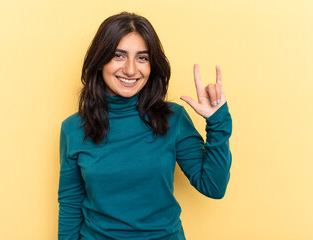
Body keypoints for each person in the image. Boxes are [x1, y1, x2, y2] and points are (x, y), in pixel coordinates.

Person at [58, 12, 232, 240]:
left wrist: (217, 121)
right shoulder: (73, 128)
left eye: (142, 58)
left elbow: (213, 186)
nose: (131, 70)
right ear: (99, 61)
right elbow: (70, 204)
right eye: (118, 56)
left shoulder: (173, 119)